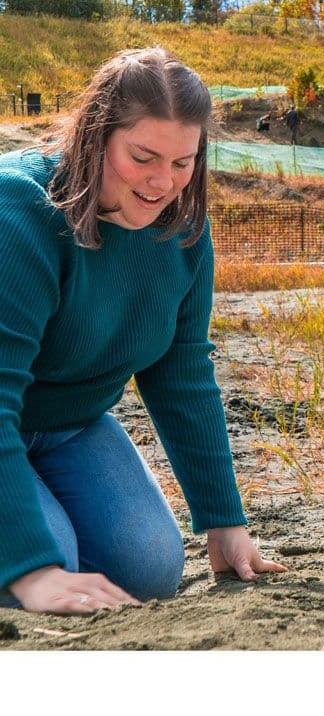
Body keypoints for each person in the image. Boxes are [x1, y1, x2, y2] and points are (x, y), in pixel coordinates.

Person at [0, 47, 286, 616]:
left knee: (150, 564)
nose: (164, 183)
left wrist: (224, 521)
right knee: (48, 558)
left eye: (184, 162)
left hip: (68, 427)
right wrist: (31, 568)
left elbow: (182, 373)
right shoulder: (21, 214)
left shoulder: (181, 233)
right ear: (96, 135)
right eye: (143, 156)